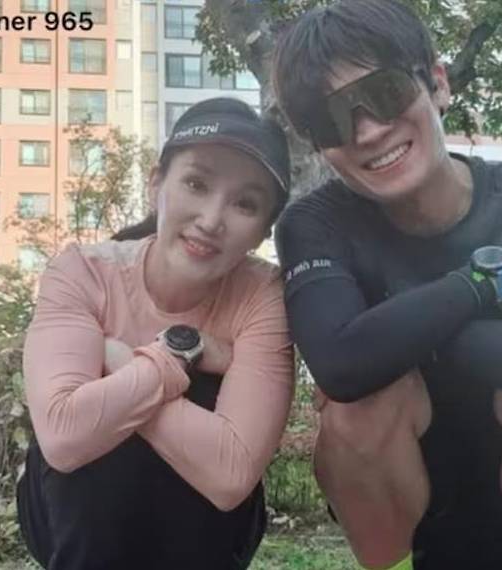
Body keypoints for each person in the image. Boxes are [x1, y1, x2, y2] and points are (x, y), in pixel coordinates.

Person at [271, 2, 502, 569]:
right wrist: (480, 288)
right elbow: (342, 369)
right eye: (330, 121)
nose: (368, 131)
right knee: (358, 408)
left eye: (385, 92)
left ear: (437, 84)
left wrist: (397, 340)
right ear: (318, 145)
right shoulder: (315, 224)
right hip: (402, 502)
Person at [16, 97, 295, 570]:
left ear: (263, 232)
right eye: (196, 184)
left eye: (245, 204)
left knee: (144, 398)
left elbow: (231, 474)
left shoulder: (262, 294)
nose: (211, 219)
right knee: (106, 426)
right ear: (155, 184)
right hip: (68, 516)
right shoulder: (84, 271)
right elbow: (64, 437)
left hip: (206, 532)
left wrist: (124, 360)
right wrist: (179, 357)